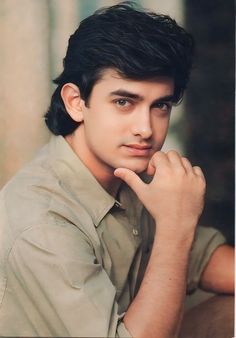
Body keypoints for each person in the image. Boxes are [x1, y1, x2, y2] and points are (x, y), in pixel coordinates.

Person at [0, 2, 234, 337]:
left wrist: (176, 227)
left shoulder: (130, 177)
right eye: (124, 102)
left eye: (160, 106)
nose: (146, 129)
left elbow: (203, 259)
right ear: (76, 103)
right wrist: (175, 224)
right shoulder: (41, 222)